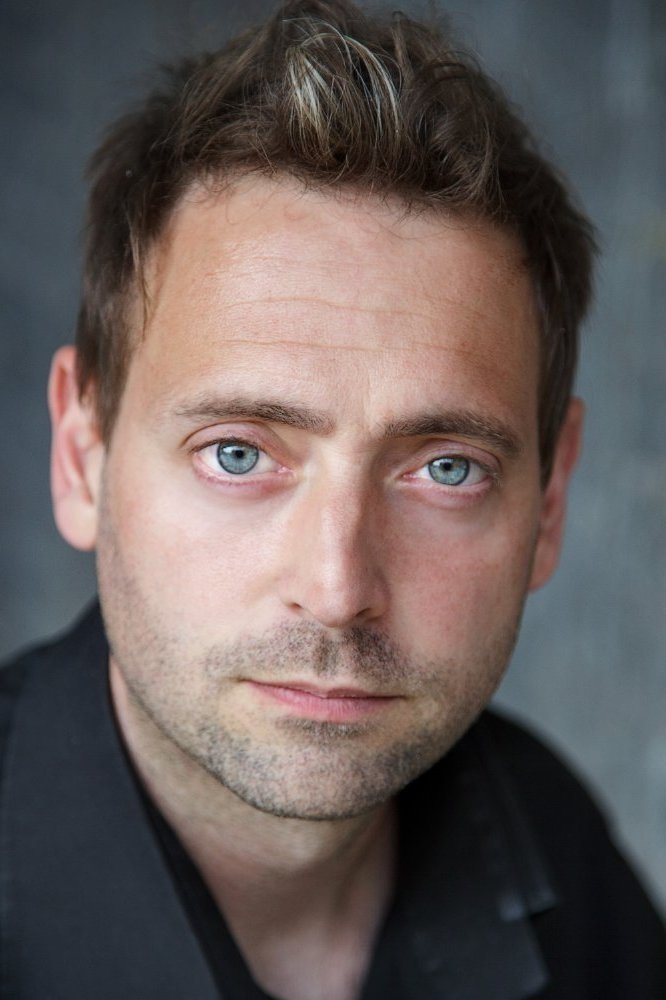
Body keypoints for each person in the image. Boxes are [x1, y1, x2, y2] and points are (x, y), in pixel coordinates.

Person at [1, 0, 664, 996]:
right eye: (237, 454)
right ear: (79, 453)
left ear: (551, 498)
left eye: (446, 469)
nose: (338, 587)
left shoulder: (558, 860)